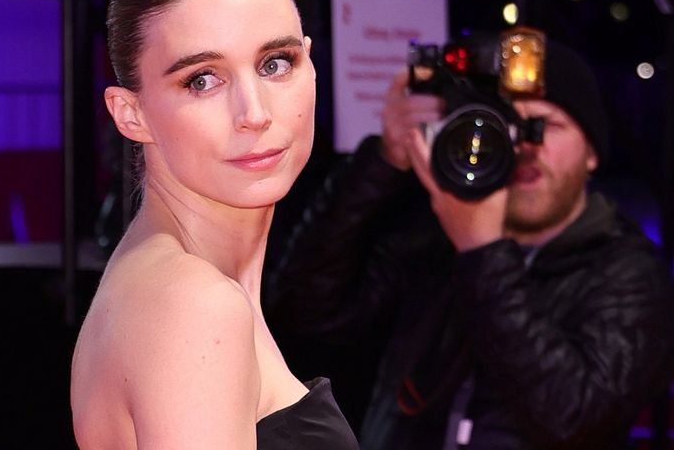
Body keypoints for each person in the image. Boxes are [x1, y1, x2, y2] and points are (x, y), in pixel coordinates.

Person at [266, 36, 674, 449]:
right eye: (508, 124)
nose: (525, 145)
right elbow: (304, 311)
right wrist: (383, 161)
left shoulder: (629, 272)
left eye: (546, 125)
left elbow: (575, 419)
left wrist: (483, 252)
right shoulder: (436, 237)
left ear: (592, 152)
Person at [69, 0, 358, 449]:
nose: (254, 114)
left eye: (275, 64)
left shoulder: (164, 280)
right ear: (131, 114)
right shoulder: (194, 307)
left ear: (311, 64)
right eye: (203, 79)